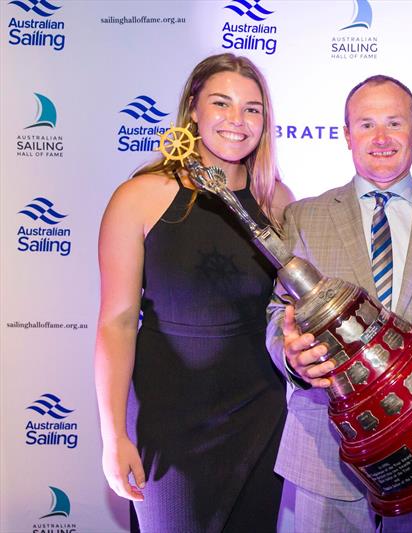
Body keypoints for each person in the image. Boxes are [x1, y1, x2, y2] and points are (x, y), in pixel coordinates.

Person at [266, 75, 412, 532]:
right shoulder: (303, 216)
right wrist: (292, 356)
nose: (381, 138)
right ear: (346, 133)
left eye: (395, 123)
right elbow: (279, 315)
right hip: (325, 447)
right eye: (366, 124)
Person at [94, 53, 294, 533]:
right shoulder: (140, 195)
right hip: (171, 419)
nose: (237, 120)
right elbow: (116, 323)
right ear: (193, 109)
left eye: (252, 109)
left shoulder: (278, 201)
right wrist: (113, 435)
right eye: (221, 103)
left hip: (261, 413)